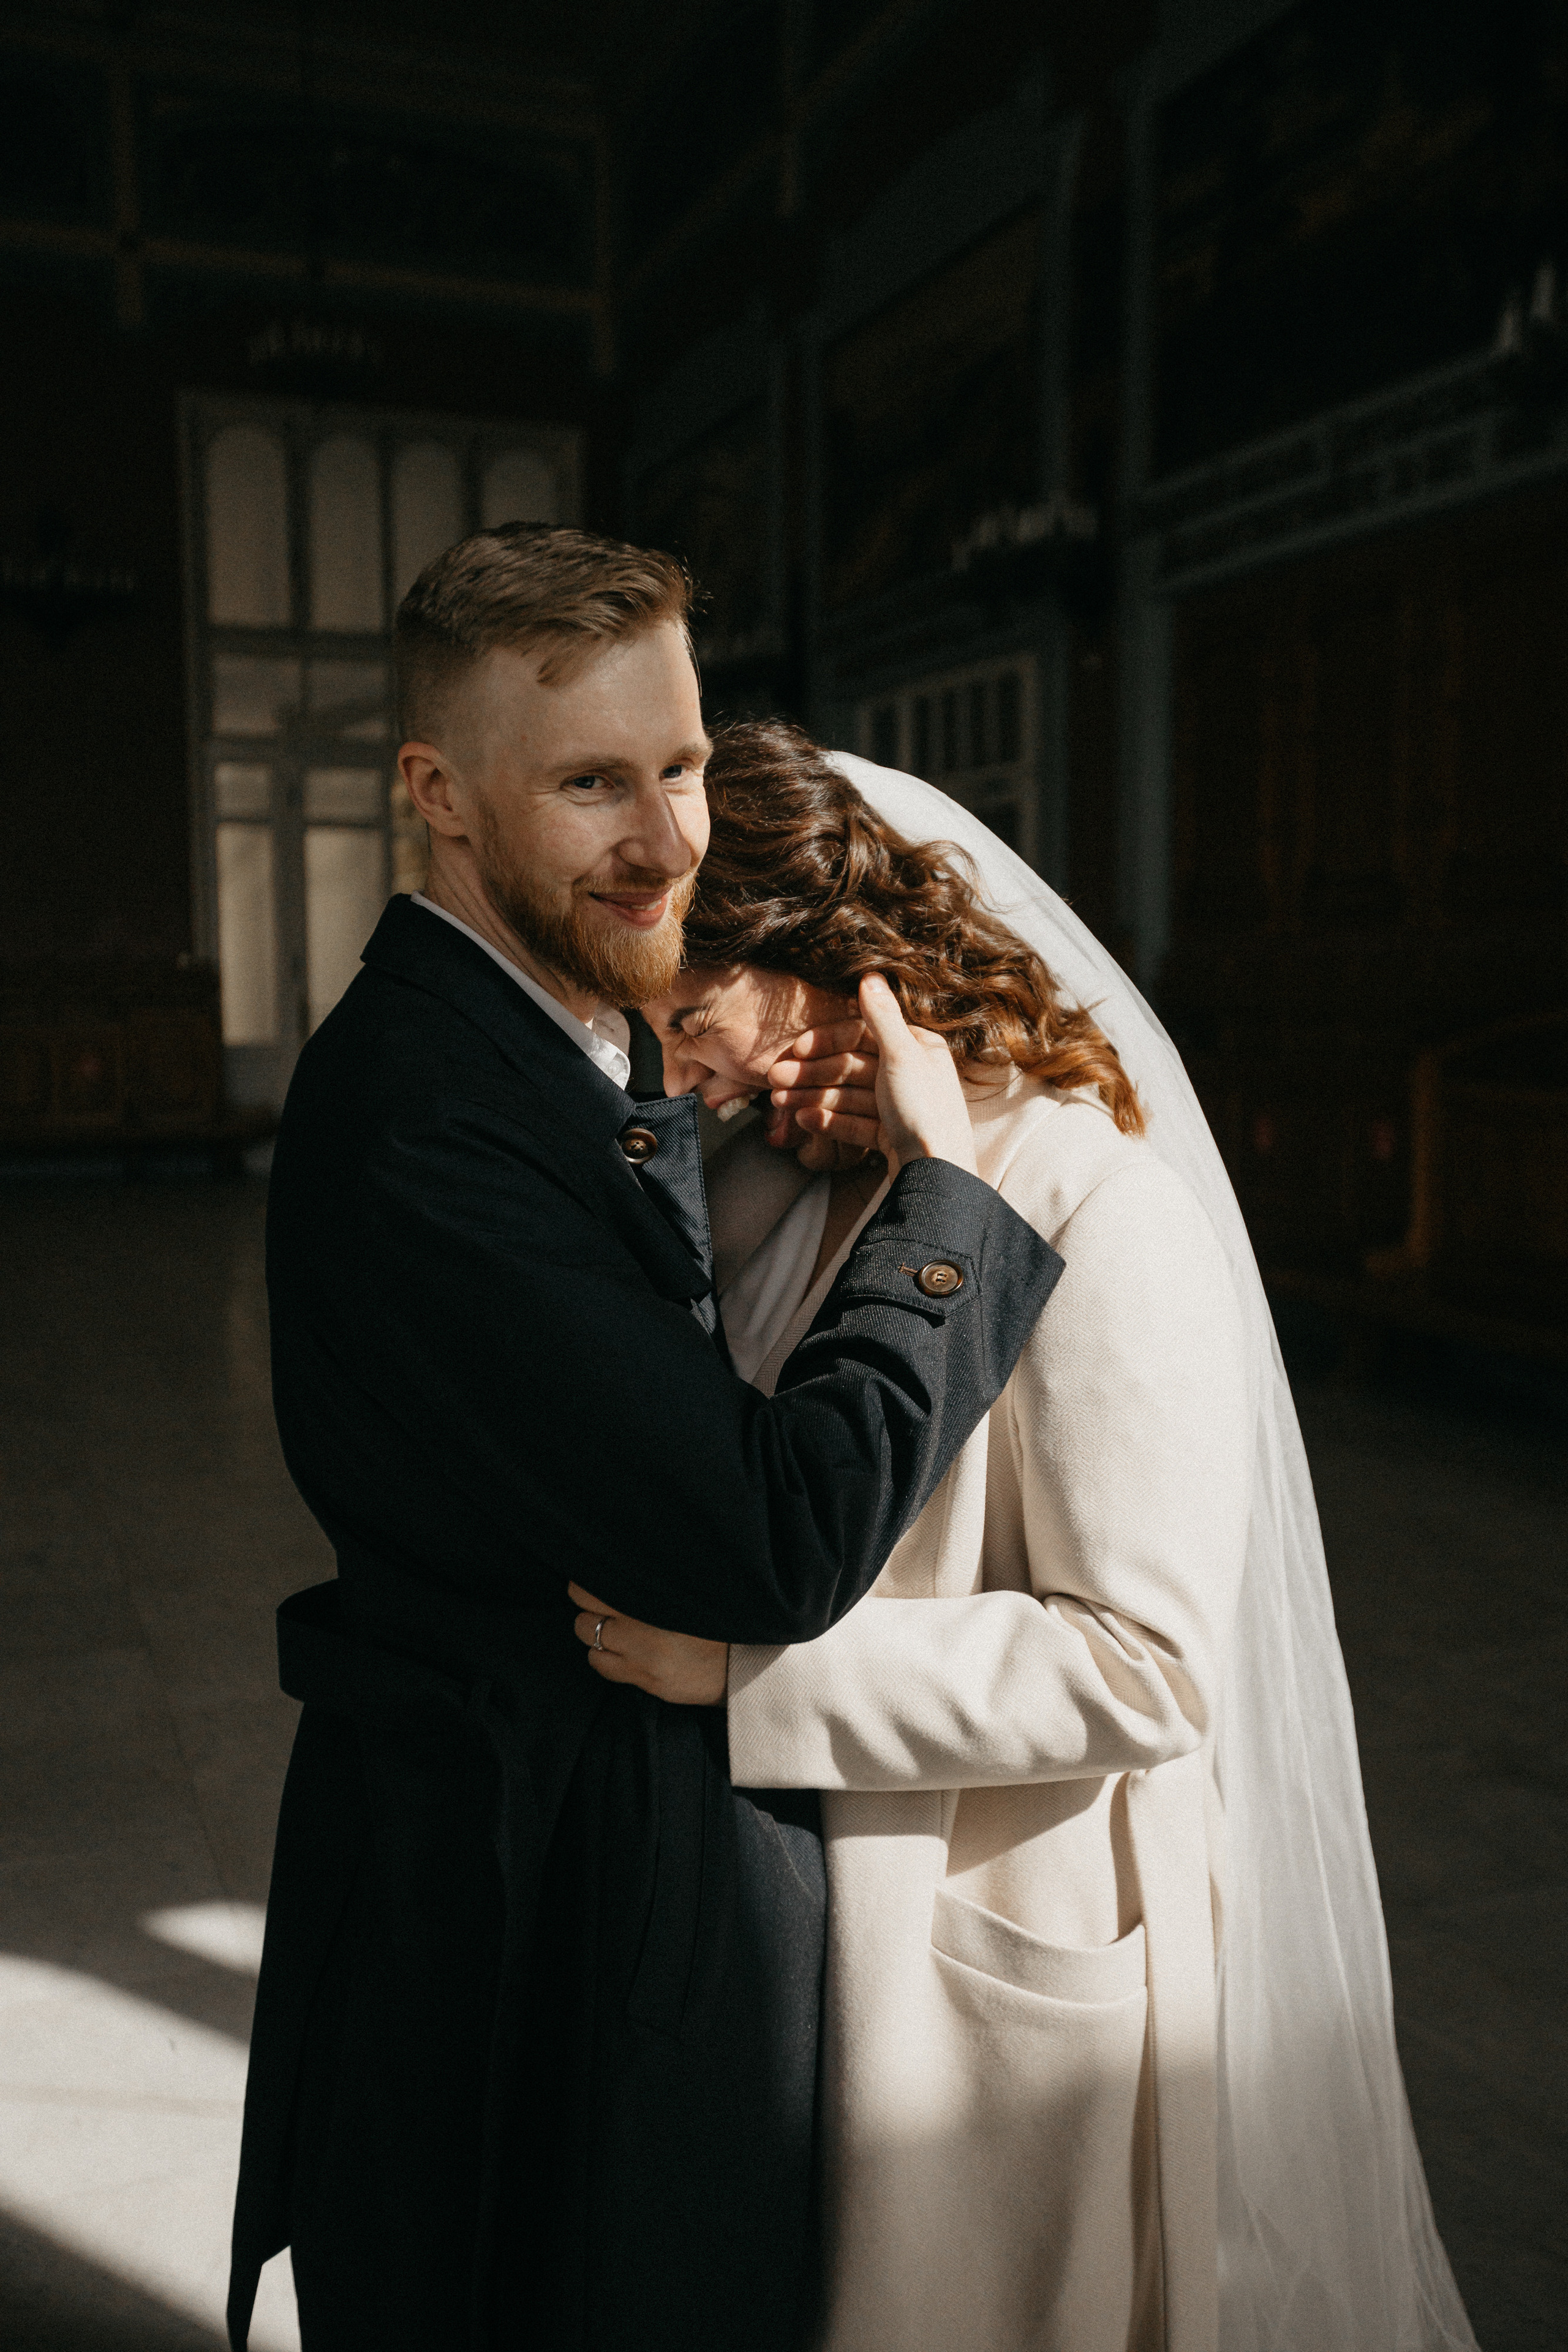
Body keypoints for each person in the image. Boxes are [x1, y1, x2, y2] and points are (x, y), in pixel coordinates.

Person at [227, 533, 1064, 2352]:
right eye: (593, 780)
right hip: (520, 1926)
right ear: (436, 797)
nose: (669, 835)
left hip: (566, 1871)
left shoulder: (565, 1032)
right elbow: (773, 1541)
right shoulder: (426, 1119)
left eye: (679, 765)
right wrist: (935, 1202)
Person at [598, 721, 1481, 2352]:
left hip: (996, 1943)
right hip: (806, 1936)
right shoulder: (785, 1178)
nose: (684, 1069)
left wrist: (749, 1672)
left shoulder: (1090, 1200)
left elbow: (1148, 1668)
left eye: (697, 1015)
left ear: (834, 959)